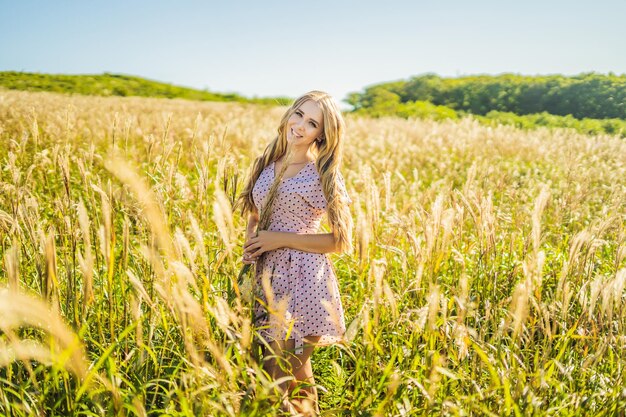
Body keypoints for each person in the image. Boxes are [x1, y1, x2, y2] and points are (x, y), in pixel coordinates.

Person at [237, 90, 352, 414]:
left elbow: (339, 241)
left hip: (305, 281)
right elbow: (256, 212)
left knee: (276, 379)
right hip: (268, 280)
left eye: (312, 122)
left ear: (322, 134)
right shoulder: (266, 163)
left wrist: (279, 239)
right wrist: (253, 240)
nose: (300, 125)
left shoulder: (322, 174)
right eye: (299, 114)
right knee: (298, 378)